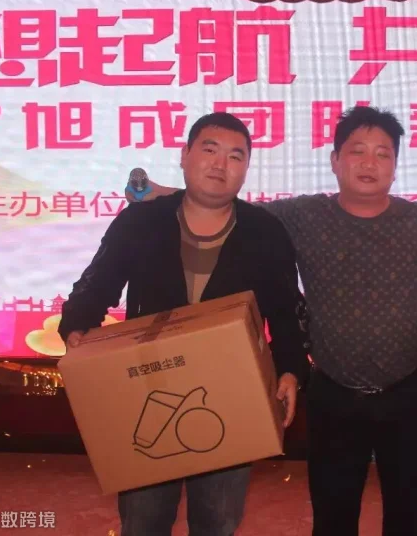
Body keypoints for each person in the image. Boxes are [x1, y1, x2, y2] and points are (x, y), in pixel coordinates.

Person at [124, 105, 417, 536]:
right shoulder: (304, 216)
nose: (370, 163)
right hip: (333, 397)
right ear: (334, 160)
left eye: (383, 153)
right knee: (333, 520)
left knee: (409, 521)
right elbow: (228, 209)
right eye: (357, 151)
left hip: (407, 396)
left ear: (395, 166)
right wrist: (162, 195)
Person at [58, 112, 310, 536]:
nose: (220, 164)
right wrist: (77, 327)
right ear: (184, 155)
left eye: (235, 156)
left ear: (246, 168)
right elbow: (96, 284)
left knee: (218, 521)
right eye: (210, 150)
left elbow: (286, 311)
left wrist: (291, 370)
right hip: (147, 391)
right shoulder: (141, 221)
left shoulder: (264, 232)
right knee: (143, 521)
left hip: (232, 395)